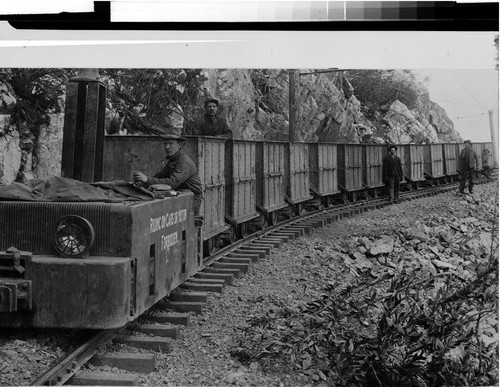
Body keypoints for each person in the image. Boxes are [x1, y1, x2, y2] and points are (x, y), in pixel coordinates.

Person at [132, 128, 203, 222]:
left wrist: (147, 180)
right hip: (180, 197)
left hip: (191, 200)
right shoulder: (173, 160)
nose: (167, 147)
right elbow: (159, 176)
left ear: (179, 145)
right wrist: (142, 183)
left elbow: (172, 183)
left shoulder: (184, 162)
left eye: (171, 144)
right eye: (165, 144)